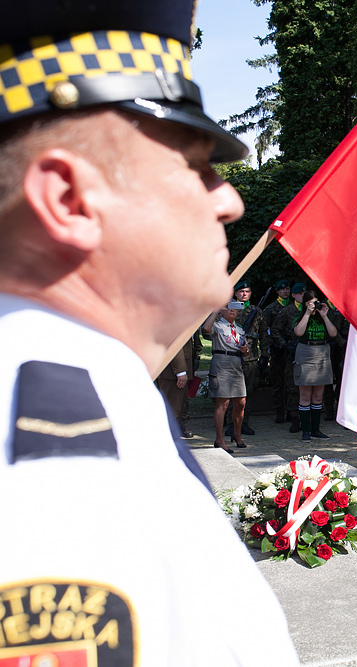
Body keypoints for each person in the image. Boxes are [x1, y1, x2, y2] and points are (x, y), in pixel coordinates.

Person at [0, 2, 299, 662]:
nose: (229, 200)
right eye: (197, 165)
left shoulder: (90, 398)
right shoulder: (62, 483)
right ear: (71, 201)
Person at [293, 290, 338, 441]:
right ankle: (305, 431)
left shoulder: (323, 317)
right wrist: (307, 313)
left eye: (315, 302)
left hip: (322, 354)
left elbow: (333, 333)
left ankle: (315, 430)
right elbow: (298, 332)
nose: (313, 305)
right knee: (305, 396)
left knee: (318, 397)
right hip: (305, 353)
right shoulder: (299, 316)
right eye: (310, 302)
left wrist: (324, 315)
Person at [203, 305, 250, 452]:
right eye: (228, 308)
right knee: (222, 403)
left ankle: (237, 433)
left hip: (237, 364)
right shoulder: (217, 325)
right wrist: (215, 310)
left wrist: (246, 350)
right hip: (221, 363)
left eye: (235, 309)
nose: (232, 311)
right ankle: (219, 439)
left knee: (241, 402)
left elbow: (246, 350)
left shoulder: (240, 328)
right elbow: (206, 329)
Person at [226, 280, 261, 436]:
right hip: (232, 356)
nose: (244, 294)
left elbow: (263, 331)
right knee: (230, 392)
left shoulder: (256, 311)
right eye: (241, 292)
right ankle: (230, 423)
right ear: (235, 294)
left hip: (250, 358)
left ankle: (244, 423)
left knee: (248, 392)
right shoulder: (229, 309)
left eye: (247, 292)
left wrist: (265, 354)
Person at [271, 283, 307, 432]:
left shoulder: (309, 310)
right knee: (292, 385)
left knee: (308, 385)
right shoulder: (287, 311)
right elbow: (275, 330)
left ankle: (307, 417)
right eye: (299, 293)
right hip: (292, 351)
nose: (302, 296)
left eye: (304, 293)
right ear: (294, 295)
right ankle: (294, 418)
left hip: (308, 351)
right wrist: (285, 345)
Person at [262, 278, 292, 422]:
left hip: (290, 349)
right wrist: (268, 348)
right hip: (277, 350)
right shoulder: (270, 309)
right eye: (282, 289)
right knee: (278, 381)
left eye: (287, 289)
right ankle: (279, 410)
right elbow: (266, 330)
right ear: (277, 292)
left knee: (290, 381)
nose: (285, 291)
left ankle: (290, 410)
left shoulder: (294, 307)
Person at [156, 336, 194, 438]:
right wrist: (180, 370)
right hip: (171, 373)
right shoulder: (173, 320)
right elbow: (174, 341)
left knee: (177, 409)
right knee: (172, 411)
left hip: (176, 371)